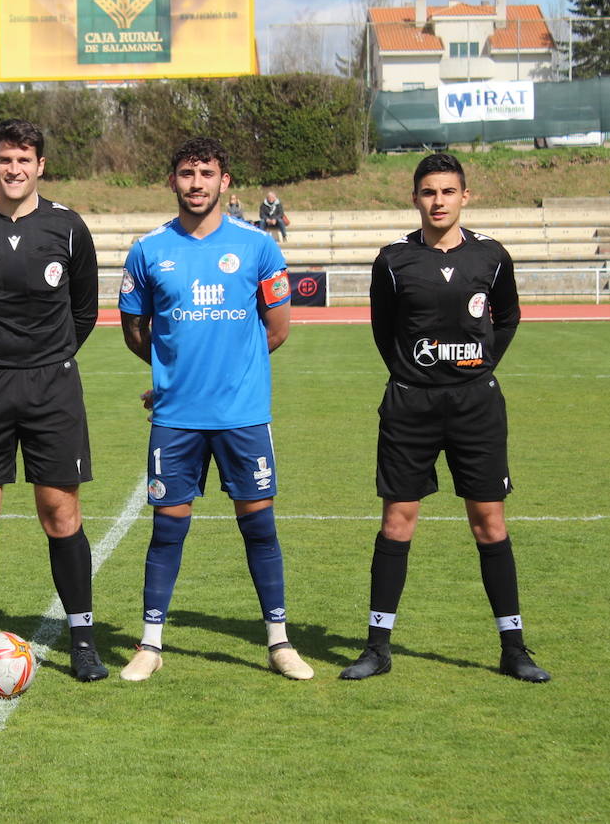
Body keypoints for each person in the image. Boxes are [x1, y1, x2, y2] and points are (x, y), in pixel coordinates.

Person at [340, 152, 550, 683]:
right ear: (415, 198)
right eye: (428, 192)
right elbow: (383, 330)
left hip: (476, 406)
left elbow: (508, 320)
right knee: (397, 521)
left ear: (465, 197)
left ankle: (514, 647)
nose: (438, 201)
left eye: (448, 192)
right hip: (411, 406)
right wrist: (416, 375)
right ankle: (377, 646)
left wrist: (475, 370)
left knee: (489, 522)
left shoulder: (492, 257)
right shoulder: (392, 261)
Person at [118, 136, 313, 682]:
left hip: (243, 416)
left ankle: (279, 641)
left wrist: (230, 372)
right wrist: (172, 371)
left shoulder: (258, 247)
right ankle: (150, 645)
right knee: (167, 529)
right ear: (172, 181)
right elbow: (136, 330)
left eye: (207, 173)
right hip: (176, 418)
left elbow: (277, 329)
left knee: (260, 527)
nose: (196, 183)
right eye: (186, 173)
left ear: (225, 182)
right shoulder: (148, 249)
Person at [0, 119, 108, 683]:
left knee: (60, 512)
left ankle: (83, 641)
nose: (14, 169)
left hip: (51, 385)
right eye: (6, 159)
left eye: (24, 159)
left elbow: (83, 309)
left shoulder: (68, 227)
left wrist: (46, 356)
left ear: (41, 166)